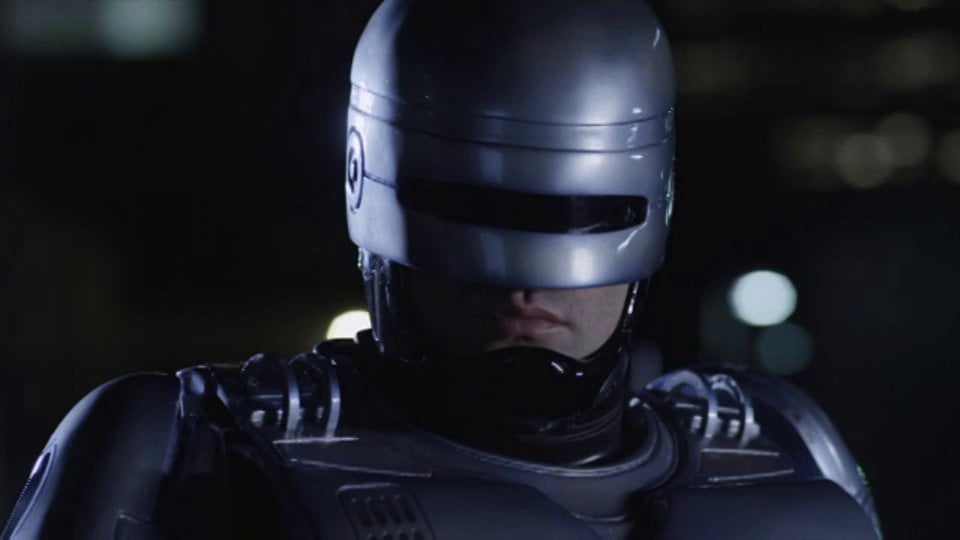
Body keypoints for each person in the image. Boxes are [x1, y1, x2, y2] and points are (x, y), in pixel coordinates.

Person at [3, 1, 881, 538]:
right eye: (472, 208)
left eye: (576, 217)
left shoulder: (784, 448)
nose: (524, 284)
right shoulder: (189, 454)